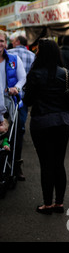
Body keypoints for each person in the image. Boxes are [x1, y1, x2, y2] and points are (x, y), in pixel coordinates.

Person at [23, 38, 69, 215]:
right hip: (62, 122)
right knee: (59, 163)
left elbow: (27, 101)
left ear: (41, 53)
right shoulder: (65, 73)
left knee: (46, 164)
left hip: (41, 123)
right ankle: (59, 203)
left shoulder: (35, 74)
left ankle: (47, 204)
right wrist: (65, 103)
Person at [7, 34, 35, 180]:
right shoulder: (33, 56)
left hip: (5, 97)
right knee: (18, 129)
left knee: (5, 129)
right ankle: (16, 164)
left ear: (17, 42)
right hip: (21, 99)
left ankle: (6, 160)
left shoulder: (9, 54)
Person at [0, 30, 26, 180]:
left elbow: (22, 78)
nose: (0, 44)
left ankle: (15, 166)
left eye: (1, 41)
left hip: (9, 103)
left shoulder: (14, 59)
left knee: (14, 135)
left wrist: (16, 87)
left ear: (6, 42)